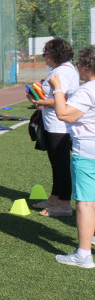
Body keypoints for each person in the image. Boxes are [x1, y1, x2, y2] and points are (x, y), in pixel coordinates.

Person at [48, 45, 95, 269]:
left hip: (88, 151)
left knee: (86, 203)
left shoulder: (88, 90)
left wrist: (57, 88)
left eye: (80, 64)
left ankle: (84, 254)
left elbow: (63, 114)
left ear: (86, 66)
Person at [31, 38, 79, 217]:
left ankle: (64, 204)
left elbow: (61, 98)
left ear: (54, 54)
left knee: (61, 165)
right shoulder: (60, 70)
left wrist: (39, 101)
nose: (44, 56)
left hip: (61, 125)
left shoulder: (62, 72)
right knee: (55, 163)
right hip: (54, 124)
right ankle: (55, 197)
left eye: (46, 53)